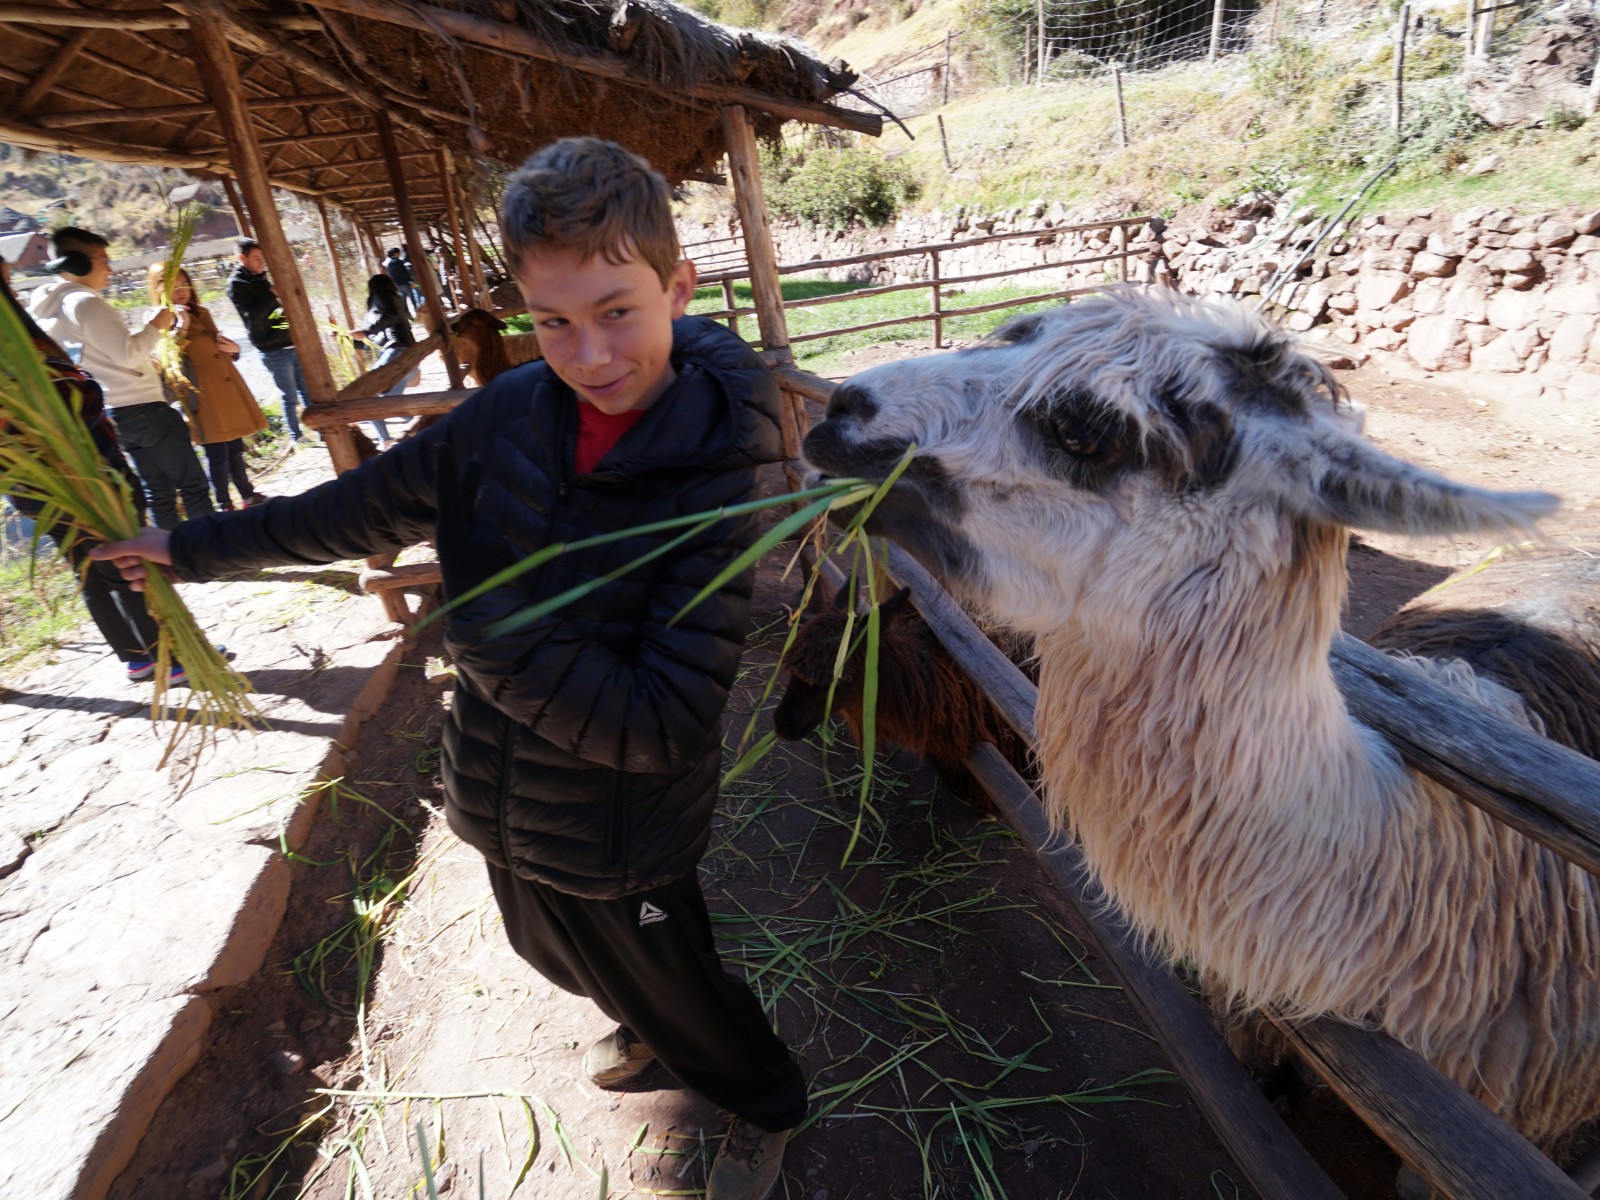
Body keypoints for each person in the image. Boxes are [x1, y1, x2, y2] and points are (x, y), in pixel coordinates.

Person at [93, 137, 804, 1200]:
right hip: (504, 785)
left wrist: (487, 639)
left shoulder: (724, 469)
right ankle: (646, 1021)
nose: (590, 353)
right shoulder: (508, 416)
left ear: (679, 286)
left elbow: (663, 720)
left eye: (618, 311)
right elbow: (353, 508)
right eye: (552, 321)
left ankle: (762, 1105)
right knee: (554, 951)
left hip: (625, 819)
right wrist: (190, 551)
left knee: (676, 971)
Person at [2, 258, 170, 684]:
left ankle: (138, 657)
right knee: (121, 547)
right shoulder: (17, 338)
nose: (13, 283)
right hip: (79, 468)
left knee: (86, 561)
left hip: (30, 483)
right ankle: (171, 654)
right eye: (5, 276)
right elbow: (67, 397)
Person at [28, 226, 214, 530]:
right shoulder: (85, 303)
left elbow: (105, 358)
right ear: (78, 263)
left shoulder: (47, 309)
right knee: (192, 484)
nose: (110, 268)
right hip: (144, 408)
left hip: (112, 413)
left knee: (158, 492)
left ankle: (176, 558)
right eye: (103, 260)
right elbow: (127, 355)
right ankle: (214, 556)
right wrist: (157, 326)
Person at [146, 264, 270, 511]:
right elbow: (169, 357)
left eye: (184, 284)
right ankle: (224, 503)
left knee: (235, 447)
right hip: (203, 397)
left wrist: (234, 350)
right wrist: (181, 324)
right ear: (159, 288)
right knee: (217, 453)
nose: (182, 290)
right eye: (174, 286)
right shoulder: (159, 320)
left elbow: (218, 345)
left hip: (225, 388)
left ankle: (247, 494)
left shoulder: (201, 311)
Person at [228, 238, 313, 445]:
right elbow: (252, 316)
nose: (261, 263)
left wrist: (290, 330)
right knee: (289, 396)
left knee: (308, 392)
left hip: (288, 342)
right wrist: (271, 294)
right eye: (257, 258)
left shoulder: (259, 278)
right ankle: (296, 436)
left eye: (262, 258)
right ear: (242, 258)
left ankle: (321, 429)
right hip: (272, 349)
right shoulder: (236, 285)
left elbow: (275, 313)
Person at [349, 273, 420, 447]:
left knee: (367, 395)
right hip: (405, 354)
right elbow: (374, 342)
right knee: (391, 403)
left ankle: (385, 440)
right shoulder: (391, 299)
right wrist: (349, 339)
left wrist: (366, 331)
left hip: (396, 352)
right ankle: (422, 422)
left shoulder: (381, 295)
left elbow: (390, 316)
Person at [384, 247, 418, 315]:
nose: (399, 254)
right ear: (395, 253)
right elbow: (404, 272)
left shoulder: (388, 264)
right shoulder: (398, 261)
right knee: (412, 299)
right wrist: (411, 281)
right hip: (405, 283)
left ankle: (408, 316)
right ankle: (418, 313)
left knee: (403, 301)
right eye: (399, 253)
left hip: (397, 285)